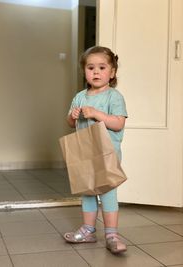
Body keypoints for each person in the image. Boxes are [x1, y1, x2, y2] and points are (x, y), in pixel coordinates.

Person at [63, 46, 128, 254]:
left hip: (107, 154)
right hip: (86, 154)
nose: (96, 72)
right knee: (88, 192)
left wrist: (97, 114)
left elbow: (118, 124)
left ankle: (111, 234)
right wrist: (72, 116)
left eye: (102, 67)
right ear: (85, 72)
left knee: (108, 192)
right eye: (91, 68)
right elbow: (70, 124)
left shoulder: (114, 97)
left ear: (112, 72)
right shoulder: (80, 96)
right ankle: (88, 230)